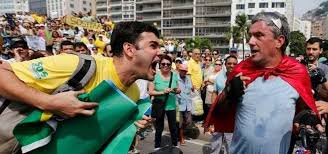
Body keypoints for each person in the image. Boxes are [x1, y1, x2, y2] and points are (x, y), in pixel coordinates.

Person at [0, 21, 159, 153]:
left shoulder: (134, 93)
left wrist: (134, 127)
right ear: (129, 49)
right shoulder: (77, 65)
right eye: (153, 46)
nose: (160, 52)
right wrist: (48, 102)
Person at [205, 12, 319, 153]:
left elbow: (304, 112)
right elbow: (220, 113)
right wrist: (229, 93)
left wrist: (308, 119)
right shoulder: (241, 70)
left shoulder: (297, 73)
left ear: (279, 41)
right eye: (251, 35)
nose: (251, 41)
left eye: (259, 35)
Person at [148, 54, 181, 150]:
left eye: (168, 64)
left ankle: (175, 144)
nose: (166, 66)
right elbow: (150, 91)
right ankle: (157, 146)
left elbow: (178, 88)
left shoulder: (174, 75)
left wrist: (176, 90)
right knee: (159, 128)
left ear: (171, 65)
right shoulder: (155, 76)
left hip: (171, 106)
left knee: (173, 127)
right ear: (160, 64)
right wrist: (163, 92)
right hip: (159, 106)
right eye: (163, 64)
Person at [206, 55, 238, 154]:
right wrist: (213, 111)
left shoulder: (239, 78)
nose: (231, 65)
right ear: (225, 64)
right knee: (216, 140)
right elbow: (214, 93)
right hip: (219, 113)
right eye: (229, 63)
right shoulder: (219, 77)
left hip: (232, 115)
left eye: (234, 64)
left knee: (230, 141)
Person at [176, 64, 193, 145]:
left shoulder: (188, 78)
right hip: (179, 104)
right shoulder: (176, 78)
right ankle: (181, 137)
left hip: (188, 104)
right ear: (179, 70)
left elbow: (191, 88)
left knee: (188, 121)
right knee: (180, 122)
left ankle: (179, 134)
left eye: (185, 71)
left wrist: (193, 88)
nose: (184, 72)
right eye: (182, 70)